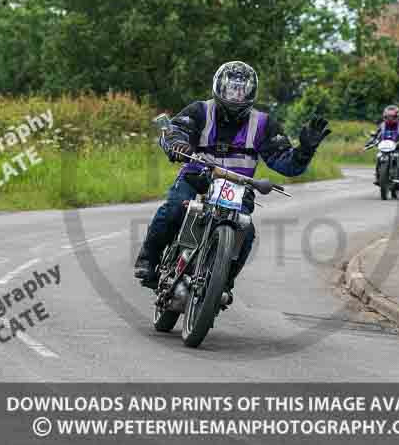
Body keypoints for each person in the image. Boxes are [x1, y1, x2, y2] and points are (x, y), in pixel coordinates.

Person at [133, 61, 331, 307]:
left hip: (239, 188)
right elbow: (175, 130)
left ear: (251, 92)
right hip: (197, 179)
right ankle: (148, 259)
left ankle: (223, 283)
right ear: (219, 87)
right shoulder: (200, 111)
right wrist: (178, 145)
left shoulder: (263, 124)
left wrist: (305, 151)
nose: (236, 95)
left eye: (242, 90)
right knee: (174, 208)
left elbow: (285, 163)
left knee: (246, 232)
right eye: (231, 89)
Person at [365, 105, 399, 186]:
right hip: (385, 146)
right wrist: (370, 142)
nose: (390, 119)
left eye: (392, 117)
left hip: (398, 146)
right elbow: (376, 134)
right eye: (388, 117)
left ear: (397, 116)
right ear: (384, 116)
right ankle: (378, 176)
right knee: (378, 156)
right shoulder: (382, 125)